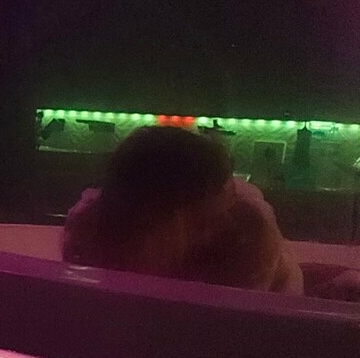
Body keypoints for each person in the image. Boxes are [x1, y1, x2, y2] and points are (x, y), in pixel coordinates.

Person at [62, 124, 302, 294]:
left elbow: (229, 330)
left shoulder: (248, 235)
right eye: (204, 220)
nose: (224, 222)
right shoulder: (89, 229)